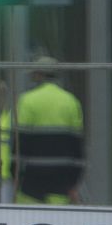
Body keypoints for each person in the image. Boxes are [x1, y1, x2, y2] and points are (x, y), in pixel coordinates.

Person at [13, 53, 84, 204]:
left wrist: (14, 175)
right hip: (61, 181)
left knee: (27, 221)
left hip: (31, 182)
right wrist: (74, 182)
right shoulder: (71, 102)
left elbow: (20, 144)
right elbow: (77, 148)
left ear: (39, 75)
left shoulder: (27, 100)